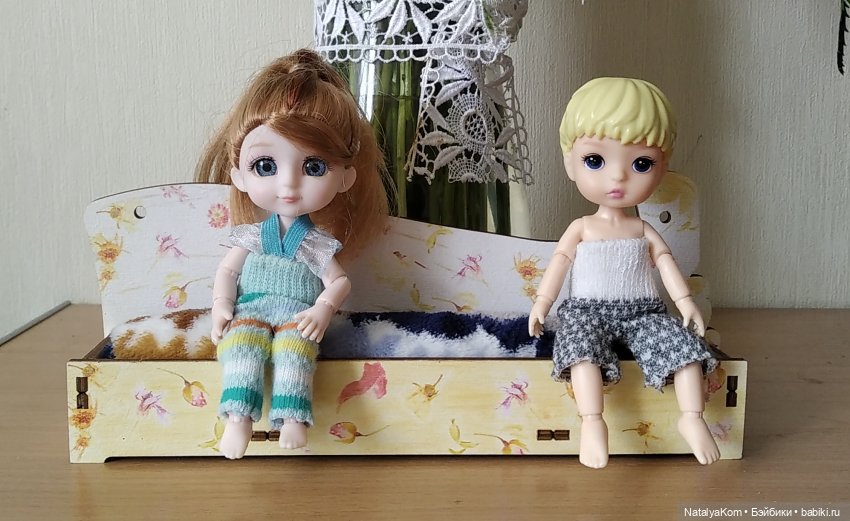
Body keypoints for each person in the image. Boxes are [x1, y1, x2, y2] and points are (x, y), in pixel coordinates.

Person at [195, 49, 388, 459]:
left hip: (298, 316)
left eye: (313, 167)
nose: (288, 185)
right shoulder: (253, 235)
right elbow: (227, 272)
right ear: (238, 174)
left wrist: (322, 310)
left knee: (295, 352)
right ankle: (238, 418)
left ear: (345, 178)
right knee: (241, 344)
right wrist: (220, 305)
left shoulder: (314, 242)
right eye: (266, 166)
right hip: (251, 308)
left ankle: (294, 418)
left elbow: (339, 281)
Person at [528, 77, 719, 468]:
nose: (617, 177)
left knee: (683, 349)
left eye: (641, 164)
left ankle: (691, 417)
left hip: (643, 313)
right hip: (587, 312)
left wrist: (686, 302)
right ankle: (592, 422)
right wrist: (542, 303)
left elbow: (665, 262)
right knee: (580, 351)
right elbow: (560, 262)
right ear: (570, 163)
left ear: (662, 168)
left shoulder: (642, 229)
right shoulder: (582, 227)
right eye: (595, 161)